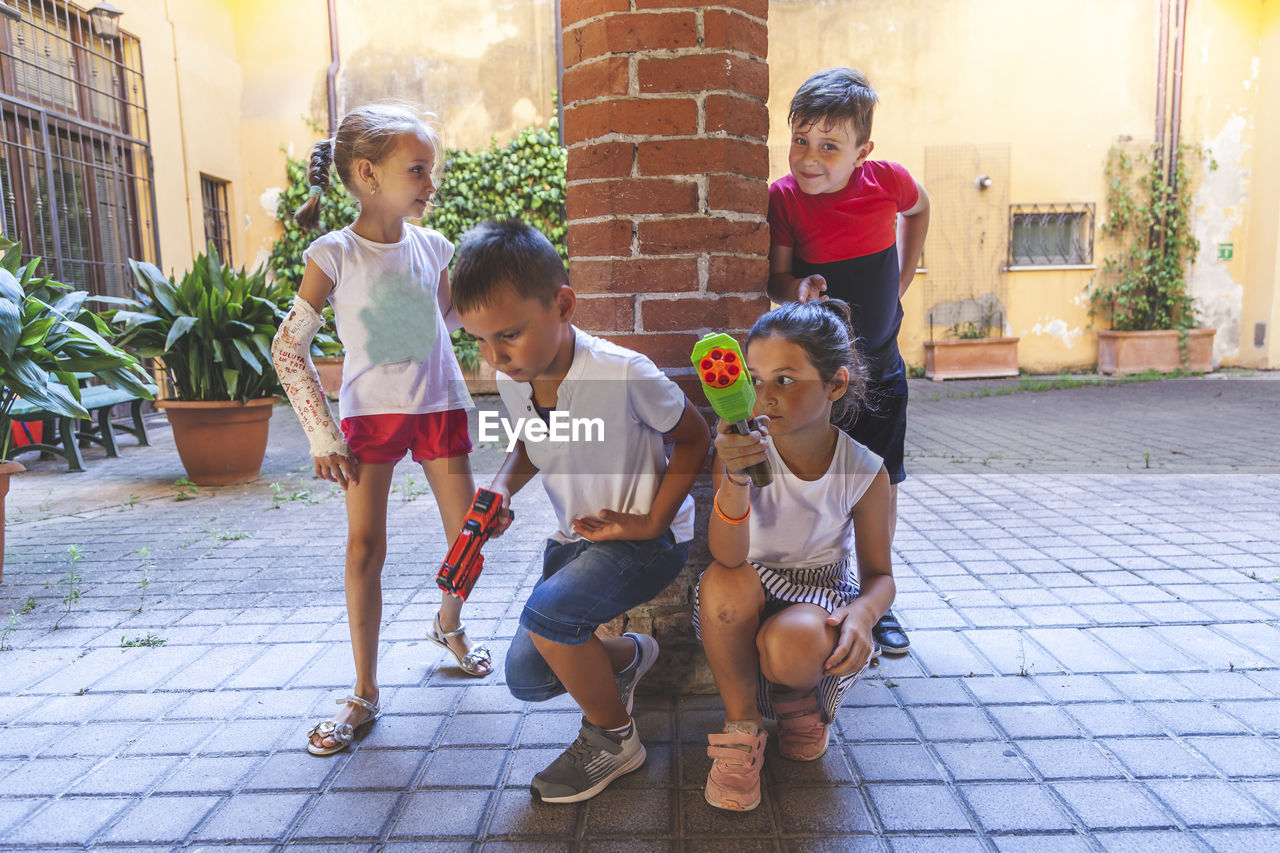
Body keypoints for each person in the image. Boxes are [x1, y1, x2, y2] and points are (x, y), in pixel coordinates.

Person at [450, 219, 710, 803]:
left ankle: (614, 739)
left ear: (563, 305)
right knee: (527, 676)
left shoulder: (623, 373)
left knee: (549, 617)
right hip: (580, 539)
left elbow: (696, 438)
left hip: (648, 541)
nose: (496, 356)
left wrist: (651, 521)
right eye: (480, 341)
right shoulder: (514, 377)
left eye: (509, 335)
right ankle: (627, 657)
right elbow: (529, 444)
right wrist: (500, 491)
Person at [271, 103, 495, 757]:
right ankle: (365, 690)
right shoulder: (333, 253)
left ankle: (447, 626)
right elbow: (289, 349)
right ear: (367, 174)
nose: (432, 184)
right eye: (418, 170)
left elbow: (451, 321)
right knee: (364, 547)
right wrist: (322, 434)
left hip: (440, 406)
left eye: (433, 170)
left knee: (469, 539)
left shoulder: (435, 247)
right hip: (369, 418)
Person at [695, 299, 897, 812]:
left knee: (794, 643)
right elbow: (727, 553)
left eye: (785, 380)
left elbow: (881, 577)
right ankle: (742, 726)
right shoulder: (740, 449)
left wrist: (865, 615)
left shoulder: (864, 470)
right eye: (755, 379)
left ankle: (794, 699)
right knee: (721, 582)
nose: (764, 397)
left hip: (818, 592)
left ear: (835, 384)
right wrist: (735, 479)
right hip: (749, 580)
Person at [766, 67, 929, 656]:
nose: (809, 158)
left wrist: (904, 276)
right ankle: (816, 594)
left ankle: (875, 600)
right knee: (822, 485)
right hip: (823, 382)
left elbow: (920, 209)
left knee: (880, 489)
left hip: (882, 367)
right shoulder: (784, 198)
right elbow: (776, 277)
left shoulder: (889, 182)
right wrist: (797, 286)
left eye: (829, 146)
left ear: (864, 151)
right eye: (800, 141)